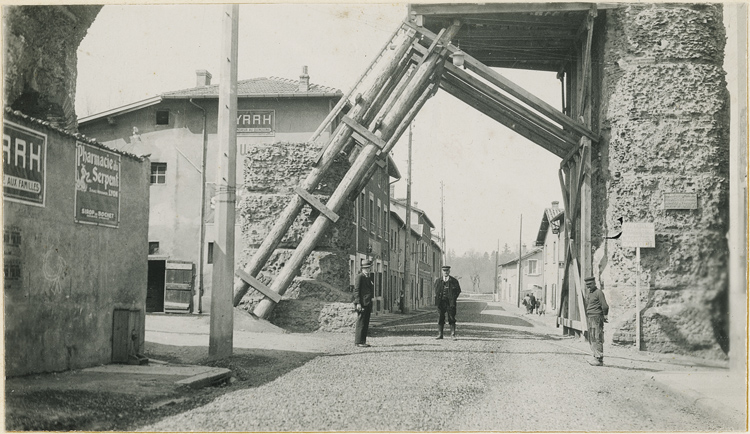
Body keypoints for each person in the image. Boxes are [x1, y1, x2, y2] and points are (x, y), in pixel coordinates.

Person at [585, 276, 609, 366]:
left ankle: (599, 359)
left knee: (597, 337)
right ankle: (595, 356)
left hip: (596, 318)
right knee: (592, 337)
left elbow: (605, 306)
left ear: (594, 283)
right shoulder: (590, 293)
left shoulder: (599, 292)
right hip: (590, 317)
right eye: (587, 285)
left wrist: (605, 315)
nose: (588, 286)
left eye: (590, 284)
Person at [433, 265, 461, 340]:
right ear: (442, 272)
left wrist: (453, 298)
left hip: (450, 303)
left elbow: (458, 291)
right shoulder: (438, 281)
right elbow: (435, 290)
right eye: (444, 271)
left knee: (451, 318)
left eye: (447, 271)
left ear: (449, 271)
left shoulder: (454, 281)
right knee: (440, 318)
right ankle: (440, 334)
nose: (446, 272)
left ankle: (453, 334)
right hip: (441, 302)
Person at [353, 260, 374, 348]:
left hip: (368, 302)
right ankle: (358, 341)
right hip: (362, 303)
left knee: (365, 322)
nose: (367, 270)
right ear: (362, 269)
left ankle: (363, 341)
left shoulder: (368, 277)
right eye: (366, 268)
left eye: (368, 268)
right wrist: (358, 303)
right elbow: (356, 290)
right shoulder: (359, 277)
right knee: (361, 322)